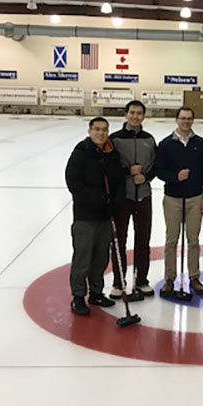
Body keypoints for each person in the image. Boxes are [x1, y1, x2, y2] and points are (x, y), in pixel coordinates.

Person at [65, 117, 126, 316]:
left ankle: (96, 293)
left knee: (101, 258)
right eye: (97, 129)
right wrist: (99, 199)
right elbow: (74, 183)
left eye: (104, 130)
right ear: (90, 131)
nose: (101, 133)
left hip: (105, 216)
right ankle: (78, 296)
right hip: (85, 216)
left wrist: (115, 203)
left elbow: (119, 181)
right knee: (83, 258)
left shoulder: (111, 154)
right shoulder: (81, 153)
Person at [156, 106, 203, 296]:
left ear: (192, 120)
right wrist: (175, 177)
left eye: (189, 118)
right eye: (183, 118)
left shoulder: (201, 144)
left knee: (193, 240)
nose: (186, 121)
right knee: (171, 239)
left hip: (195, 198)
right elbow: (159, 171)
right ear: (177, 120)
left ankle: (194, 277)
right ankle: (169, 278)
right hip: (173, 198)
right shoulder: (165, 144)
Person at [108, 100, 156, 299]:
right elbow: (109, 167)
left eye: (139, 113)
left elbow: (155, 165)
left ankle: (142, 280)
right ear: (126, 114)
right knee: (119, 240)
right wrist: (128, 171)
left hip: (143, 196)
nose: (135, 116)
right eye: (132, 113)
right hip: (123, 197)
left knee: (143, 239)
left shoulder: (149, 139)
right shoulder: (115, 139)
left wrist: (146, 177)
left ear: (143, 116)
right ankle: (119, 282)